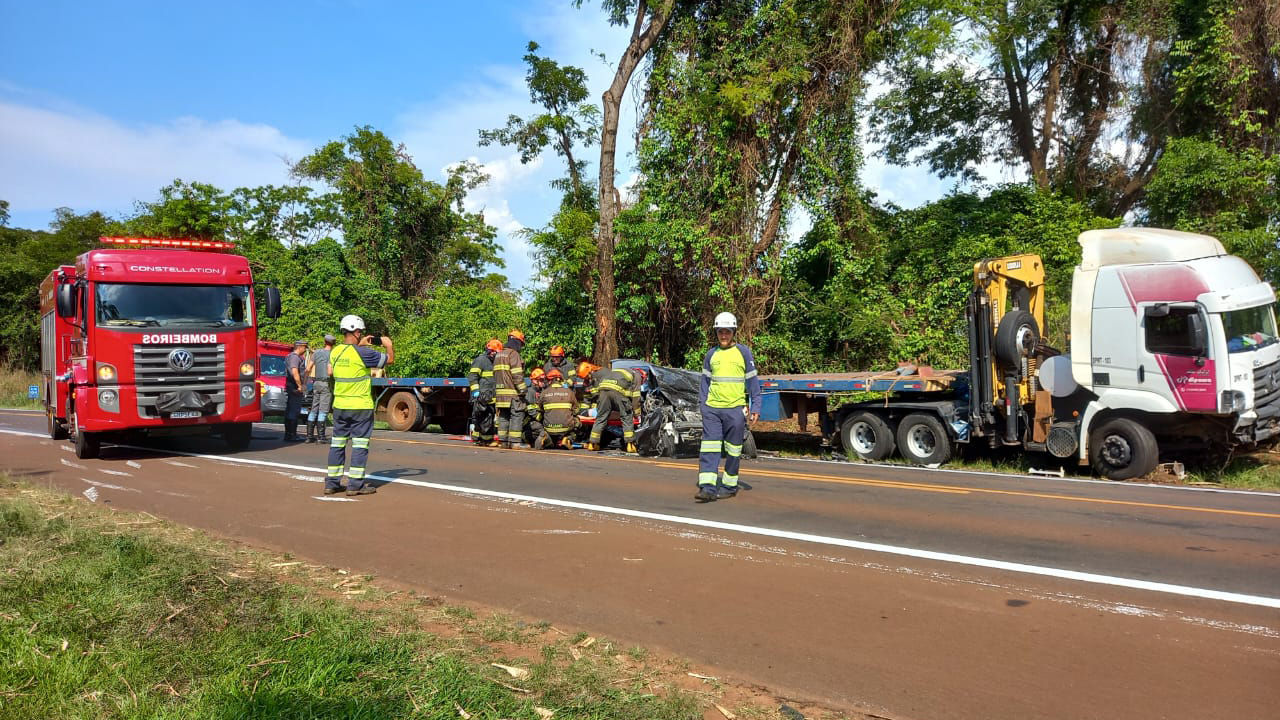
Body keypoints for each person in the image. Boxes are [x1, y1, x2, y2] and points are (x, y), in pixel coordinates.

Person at [695, 312, 761, 502]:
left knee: (733, 450)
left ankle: (729, 486)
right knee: (709, 448)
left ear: (733, 332)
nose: (723, 335)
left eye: (727, 332)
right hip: (712, 410)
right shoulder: (711, 354)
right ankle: (707, 487)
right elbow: (705, 383)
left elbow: (753, 382)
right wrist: (703, 405)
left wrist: (756, 406)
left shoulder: (743, 353)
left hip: (735, 410)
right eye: (720, 332)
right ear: (716, 332)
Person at [325, 314, 394, 496]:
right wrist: (388, 345)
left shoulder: (335, 352)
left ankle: (331, 483)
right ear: (356, 332)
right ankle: (355, 485)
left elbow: (347, 359)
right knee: (360, 445)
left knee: (337, 444)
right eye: (360, 332)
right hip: (360, 406)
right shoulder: (365, 353)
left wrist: (360, 344)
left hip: (340, 405)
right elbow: (389, 360)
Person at [579, 361, 641, 453]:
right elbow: (636, 397)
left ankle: (593, 443)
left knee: (601, 418)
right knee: (626, 416)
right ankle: (630, 444)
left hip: (603, 390)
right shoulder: (638, 376)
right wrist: (637, 413)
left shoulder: (616, 372)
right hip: (617, 391)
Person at [493, 329, 527, 449]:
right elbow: (517, 374)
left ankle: (503, 441)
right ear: (517, 342)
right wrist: (523, 390)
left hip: (500, 393)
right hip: (512, 393)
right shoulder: (513, 354)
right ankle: (515, 442)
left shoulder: (499, 354)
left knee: (503, 416)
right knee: (517, 415)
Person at [467, 339, 502, 446]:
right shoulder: (481, 360)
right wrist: (476, 391)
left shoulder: (494, 362)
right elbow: (473, 376)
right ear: (490, 351)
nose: (496, 355)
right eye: (495, 353)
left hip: (490, 396)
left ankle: (480, 439)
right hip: (482, 396)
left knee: (487, 418)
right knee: (484, 418)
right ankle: (485, 440)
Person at [534, 368, 579, 449]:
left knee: (551, 440)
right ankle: (568, 438)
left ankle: (546, 437)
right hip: (566, 428)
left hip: (549, 428)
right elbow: (576, 410)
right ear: (560, 380)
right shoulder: (569, 392)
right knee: (578, 421)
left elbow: (539, 410)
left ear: (549, 381)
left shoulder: (544, 393)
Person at [305, 334, 335, 443]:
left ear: (324, 342)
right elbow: (330, 372)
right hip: (326, 383)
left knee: (314, 408)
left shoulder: (316, 353)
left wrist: (304, 382)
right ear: (333, 344)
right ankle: (321, 437)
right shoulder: (332, 354)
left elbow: (308, 368)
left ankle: (309, 436)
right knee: (323, 410)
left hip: (316, 382)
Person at [283, 339, 308, 441]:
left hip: (291, 386)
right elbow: (295, 372)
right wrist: (299, 386)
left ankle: (288, 434)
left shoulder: (291, 356)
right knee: (294, 410)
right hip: (294, 386)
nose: (305, 349)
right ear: (300, 347)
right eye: (305, 347)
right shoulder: (295, 357)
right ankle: (292, 435)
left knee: (290, 410)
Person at [522, 368, 547, 445]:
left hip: (537, 418)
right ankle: (524, 437)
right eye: (541, 380)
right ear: (534, 380)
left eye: (544, 380)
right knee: (541, 429)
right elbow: (530, 409)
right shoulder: (530, 391)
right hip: (529, 420)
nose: (543, 382)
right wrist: (540, 417)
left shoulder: (540, 390)